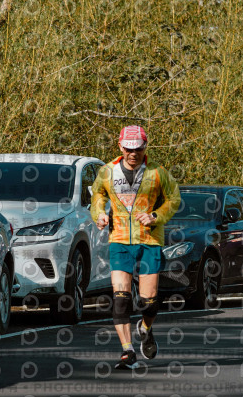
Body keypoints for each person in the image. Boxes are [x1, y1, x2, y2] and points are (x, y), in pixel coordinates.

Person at [91, 125, 180, 369]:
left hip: (149, 240)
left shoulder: (158, 172)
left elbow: (174, 198)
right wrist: (99, 214)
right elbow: (97, 196)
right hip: (119, 239)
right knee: (120, 299)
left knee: (148, 303)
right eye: (128, 149)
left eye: (138, 149)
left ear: (145, 146)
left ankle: (146, 328)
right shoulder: (107, 171)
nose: (133, 154)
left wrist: (155, 216)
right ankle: (127, 351)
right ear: (120, 146)